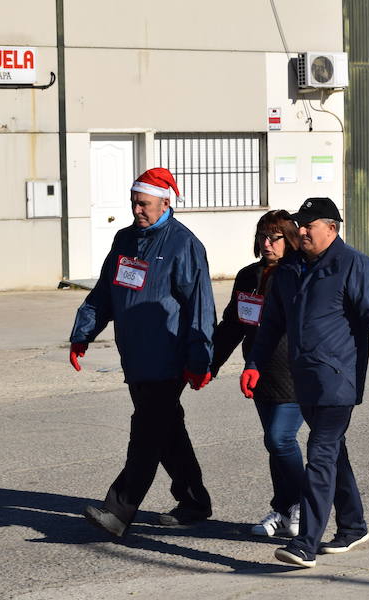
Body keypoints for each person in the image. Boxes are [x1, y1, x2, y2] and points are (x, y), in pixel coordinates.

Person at [240, 197, 369, 568]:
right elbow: (271, 325)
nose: (301, 231)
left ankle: (305, 543)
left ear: (332, 228)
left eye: (310, 225)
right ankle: (353, 526)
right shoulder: (290, 269)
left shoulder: (354, 265)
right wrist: (254, 364)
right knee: (333, 453)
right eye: (299, 224)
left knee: (320, 453)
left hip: (338, 378)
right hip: (303, 379)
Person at [68, 167, 216, 537]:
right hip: (134, 355)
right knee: (167, 430)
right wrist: (83, 332)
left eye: (144, 204)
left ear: (165, 203)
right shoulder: (125, 239)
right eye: (134, 202)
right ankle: (194, 501)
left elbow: (200, 306)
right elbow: (105, 291)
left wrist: (200, 358)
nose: (137, 210)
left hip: (169, 356)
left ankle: (119, 509)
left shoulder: (184, 244)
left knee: (147, 431)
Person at [210, 210, 305, 538]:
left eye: (275, 238)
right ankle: (284, 509)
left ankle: (305, 505)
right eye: (262, 237)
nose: (267, 243)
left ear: (289, 240)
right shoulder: (248, 275)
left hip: (294, 372)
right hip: (260, 372)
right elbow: (233, 325)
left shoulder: (299, 273)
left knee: (280, 438)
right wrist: (211, 364)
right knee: (273, 444)